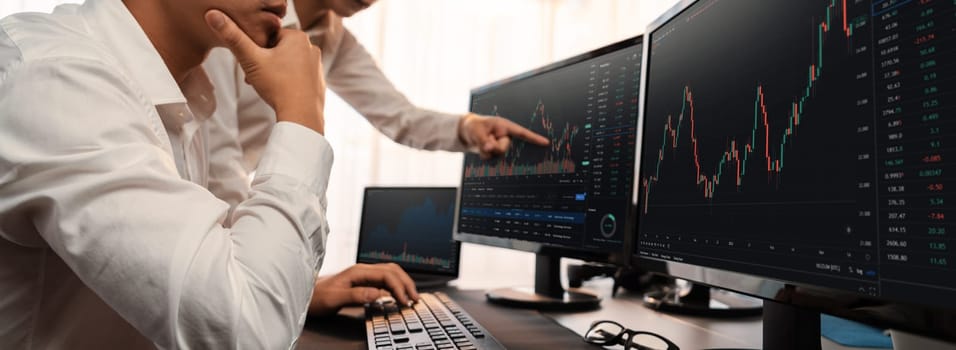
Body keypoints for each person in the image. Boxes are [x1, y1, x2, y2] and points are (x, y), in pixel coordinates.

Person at [0, 0, 384, 347]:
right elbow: (248, 331)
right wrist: (301, 112)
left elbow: (198, 275)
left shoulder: (178, 89)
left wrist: (302, 294)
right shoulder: (59, 81)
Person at [202, 0, 551, 317]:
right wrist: (272, 285)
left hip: (228, 219)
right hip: (193, 202)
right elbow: (219, 160)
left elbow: (400, 116)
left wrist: (467, 127)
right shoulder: (241, 10)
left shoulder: (332, 37)